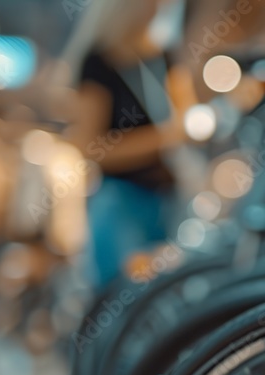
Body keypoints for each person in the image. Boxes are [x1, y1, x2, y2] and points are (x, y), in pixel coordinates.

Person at [69, 0, 190, 287]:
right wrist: (162, 139)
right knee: (123, 295)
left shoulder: (162, 56)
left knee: (163, 292)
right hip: (121, 199)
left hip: (167, 197)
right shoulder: (99, 64)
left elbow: (185, 116)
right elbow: (91, 149)